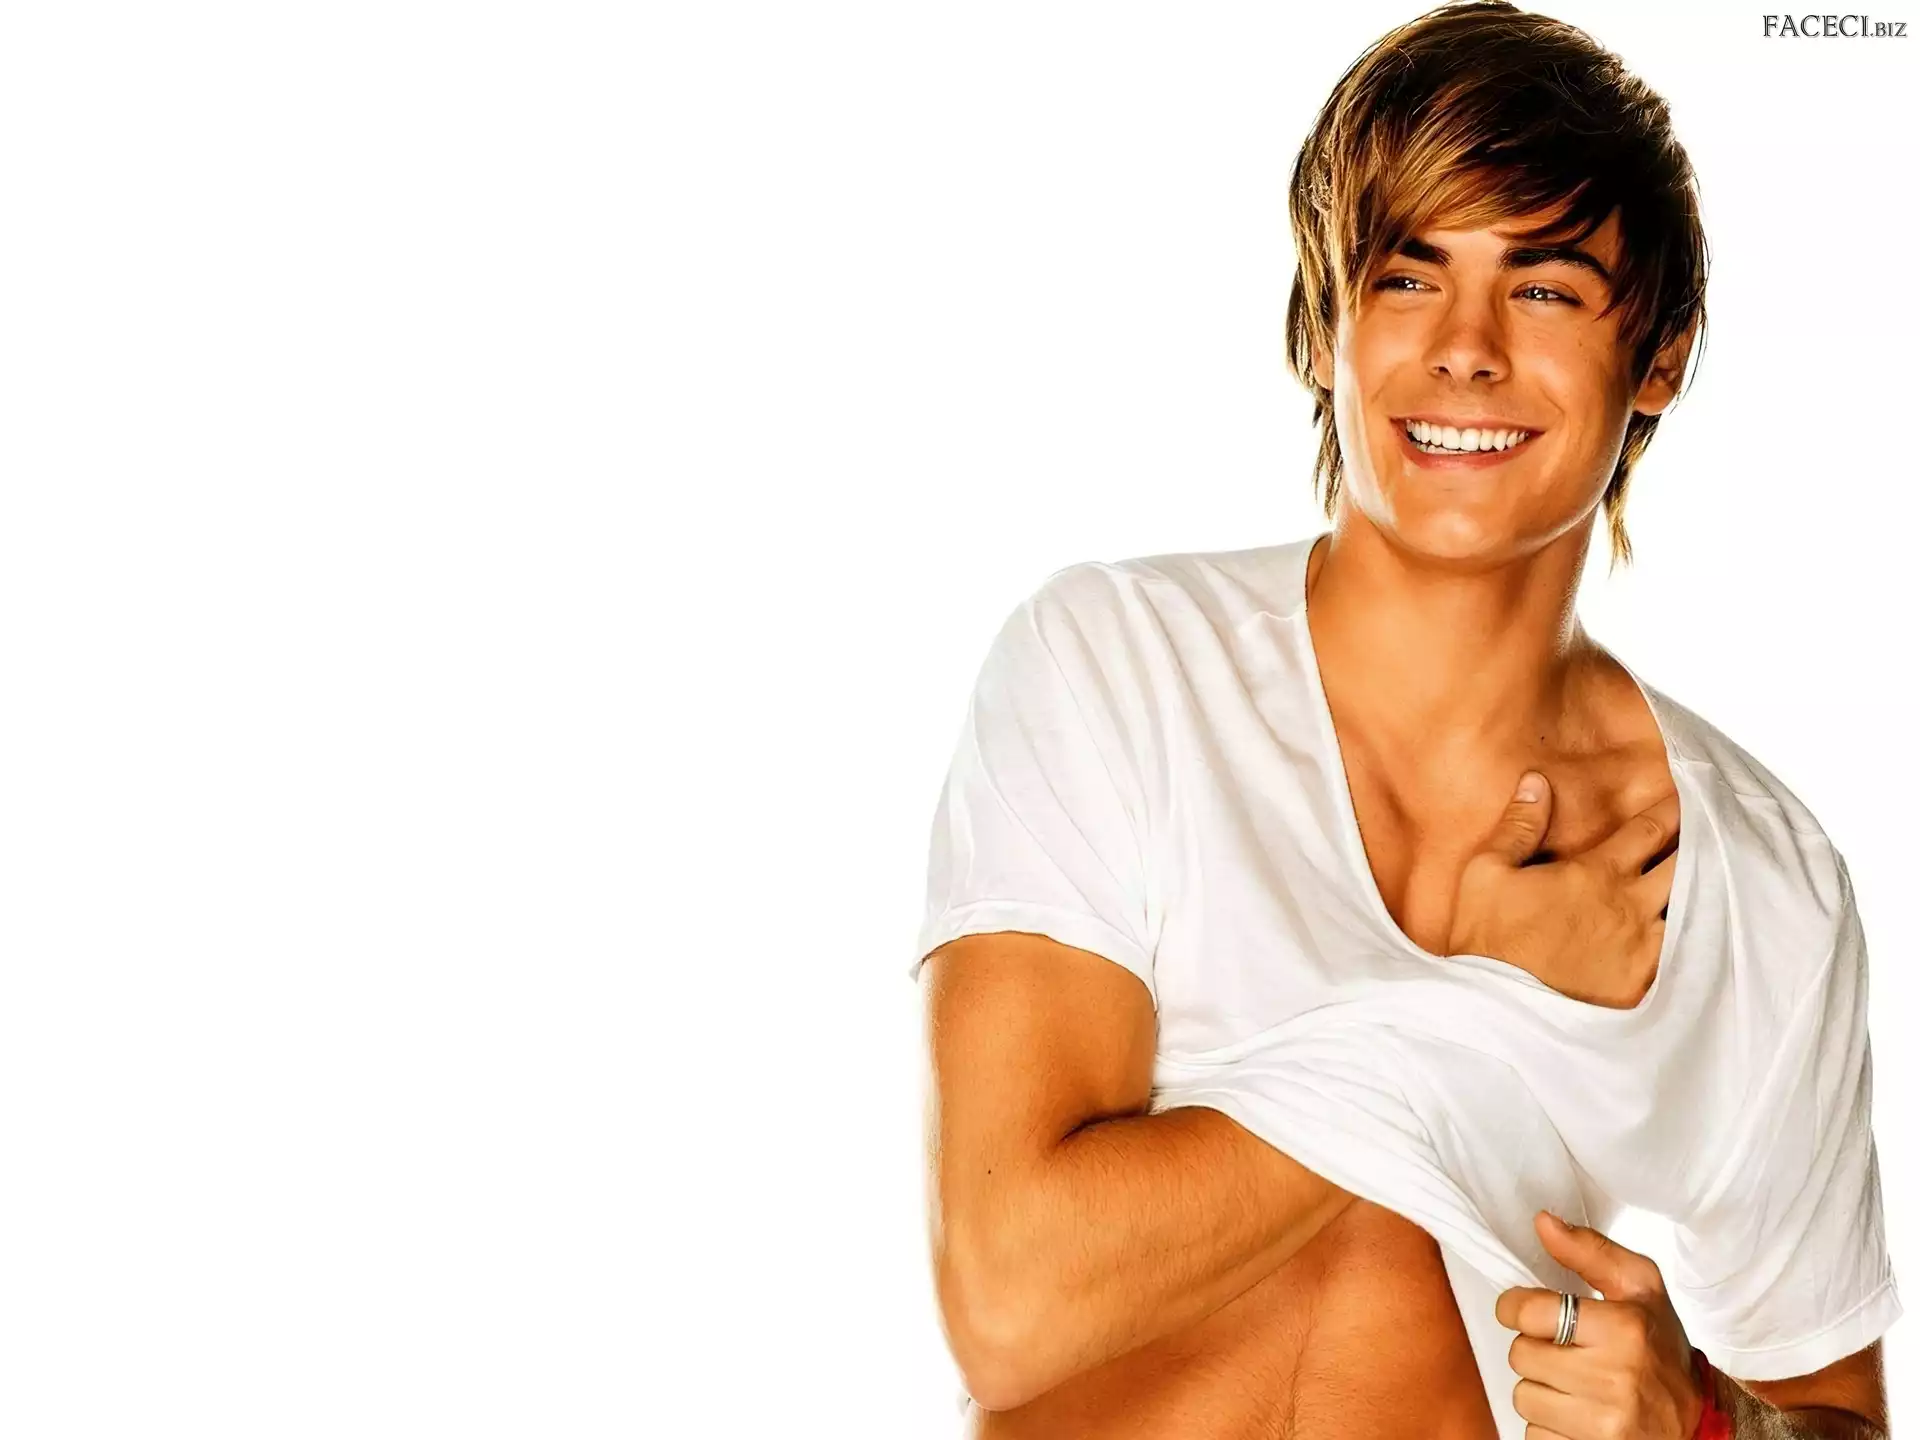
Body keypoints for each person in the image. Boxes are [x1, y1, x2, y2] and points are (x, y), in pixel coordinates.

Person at [907, 3, 1900, 1437]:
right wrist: (1476, 994)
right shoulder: (1118, 669)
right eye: (1408, 277)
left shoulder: (1760, 883)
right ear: (1324, 329)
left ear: (1662, 352)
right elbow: (1010, 1308)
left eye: (1544, 286)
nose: (1467, 350)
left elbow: (1834, 1414)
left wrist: (1702, 1416)